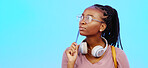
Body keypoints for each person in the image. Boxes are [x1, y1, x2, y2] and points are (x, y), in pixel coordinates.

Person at [62, 4, 130, 68]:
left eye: (88, 18)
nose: (82, 22)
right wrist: (71, 63)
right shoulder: (70, 53)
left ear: (102, 27)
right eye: (82, 17)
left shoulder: (118, 55)